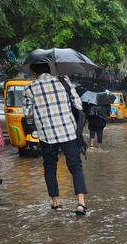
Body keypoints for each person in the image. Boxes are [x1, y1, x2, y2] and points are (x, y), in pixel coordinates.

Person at [23, 63, 87, 215]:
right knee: (76, 167)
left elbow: (27, 113)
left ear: (33, 72)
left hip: (47, 134)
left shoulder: (30, 88)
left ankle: (56, 204)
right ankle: (81, 204)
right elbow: (78, 104)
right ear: (49, 69)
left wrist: (43, 110)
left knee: (50, 169)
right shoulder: (64, 80)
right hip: (68, 131)